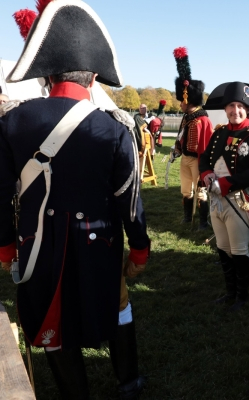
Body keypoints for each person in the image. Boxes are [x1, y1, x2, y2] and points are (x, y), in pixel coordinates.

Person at [0, 1, 150, 399]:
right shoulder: (116, 127)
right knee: (117, 307)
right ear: (94, 74)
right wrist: (139, 247)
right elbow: (128, 200)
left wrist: (4, 247)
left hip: (36, 247)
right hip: (100, 247)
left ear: (46, 71)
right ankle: (129, 382)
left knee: (51, 320)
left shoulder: (12, 121)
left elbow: (0, 194)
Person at [200, 81, 249, 311]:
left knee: (239, 251)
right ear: (225, 109)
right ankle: (230, 292)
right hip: (216, 199)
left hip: (241, 202)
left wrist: (227, 183)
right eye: (231, 106)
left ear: (248, 109)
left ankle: (242, 296)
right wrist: (207, 174)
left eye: (240, 106)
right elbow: (205, 158)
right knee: (223, 247)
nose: (235, 111)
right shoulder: (219, 133)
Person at [172, 47, 213, 228]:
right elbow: (181, 135)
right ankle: (187, 217)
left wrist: (205, 165)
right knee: (186, 190)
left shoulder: (203, 119)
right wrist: (177, 148)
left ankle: (203, 221)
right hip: (186, 158)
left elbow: (207, 143)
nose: (180, 103)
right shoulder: (186, 117)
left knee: (201, 191)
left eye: (182, 100)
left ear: (188, 100)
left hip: (198, 160)